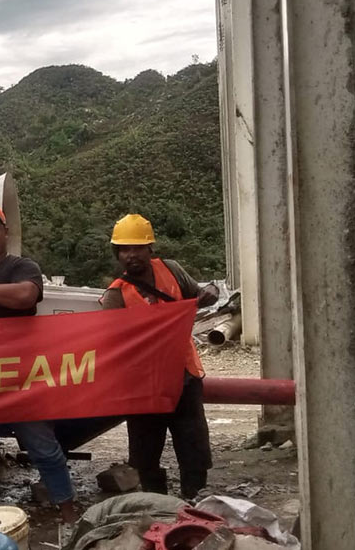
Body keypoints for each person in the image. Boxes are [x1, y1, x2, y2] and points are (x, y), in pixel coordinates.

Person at [0, 205, 82, 523]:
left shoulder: (22, 267)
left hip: (23, 381)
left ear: (5, 233)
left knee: (44, 449)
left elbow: (26, 296)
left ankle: (70, 517)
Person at [101, 213, 219, 499]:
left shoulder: (172, 270)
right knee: (145, 453)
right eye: (124, 250)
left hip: (184, 377)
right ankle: (158, 504)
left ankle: (195, 501)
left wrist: (209, 293)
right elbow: (112, 342)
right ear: (117, 254)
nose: (131, 255)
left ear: (149, 248)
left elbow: (205, 293)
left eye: (137, 248)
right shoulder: (115, 296)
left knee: (193, 448)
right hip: (143, 385)